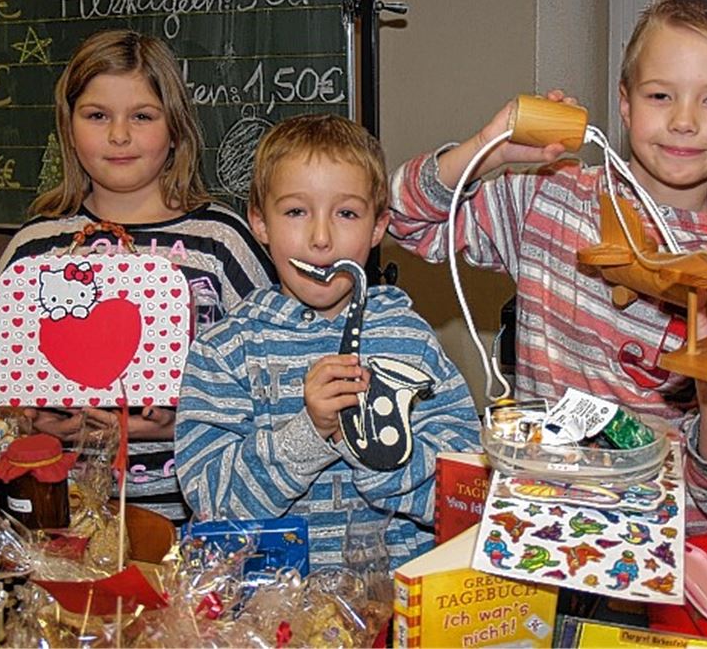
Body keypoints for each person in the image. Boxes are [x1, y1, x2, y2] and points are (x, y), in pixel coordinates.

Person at [388, 0, 707, 535]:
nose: (684, 121)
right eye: (660, 95)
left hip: (668, 546)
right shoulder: (553, 197)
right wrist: (486, 149)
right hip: (544, 526)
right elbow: (405, 217)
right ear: (624, 101)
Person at [0, 29, 275, 522]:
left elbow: (273, 373)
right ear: (69, 127)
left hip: (198, 514)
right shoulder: (37, 246)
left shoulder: (222, 241)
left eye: (142, 116)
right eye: (97, 116)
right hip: (61, 511)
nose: (118, 135)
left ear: (174, 128)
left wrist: (184, 419)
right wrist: (30, 412)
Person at [174, 114, 481, 569]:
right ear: (259, 222)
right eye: (296, 212)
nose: (320, 239)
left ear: (378, 228)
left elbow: (458, 494)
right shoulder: (224, 352)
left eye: (347, 214)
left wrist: (370, 441)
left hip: (393, 608)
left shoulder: (409, 340)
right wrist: (308, 432)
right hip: (270, 616)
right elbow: (213, 504)